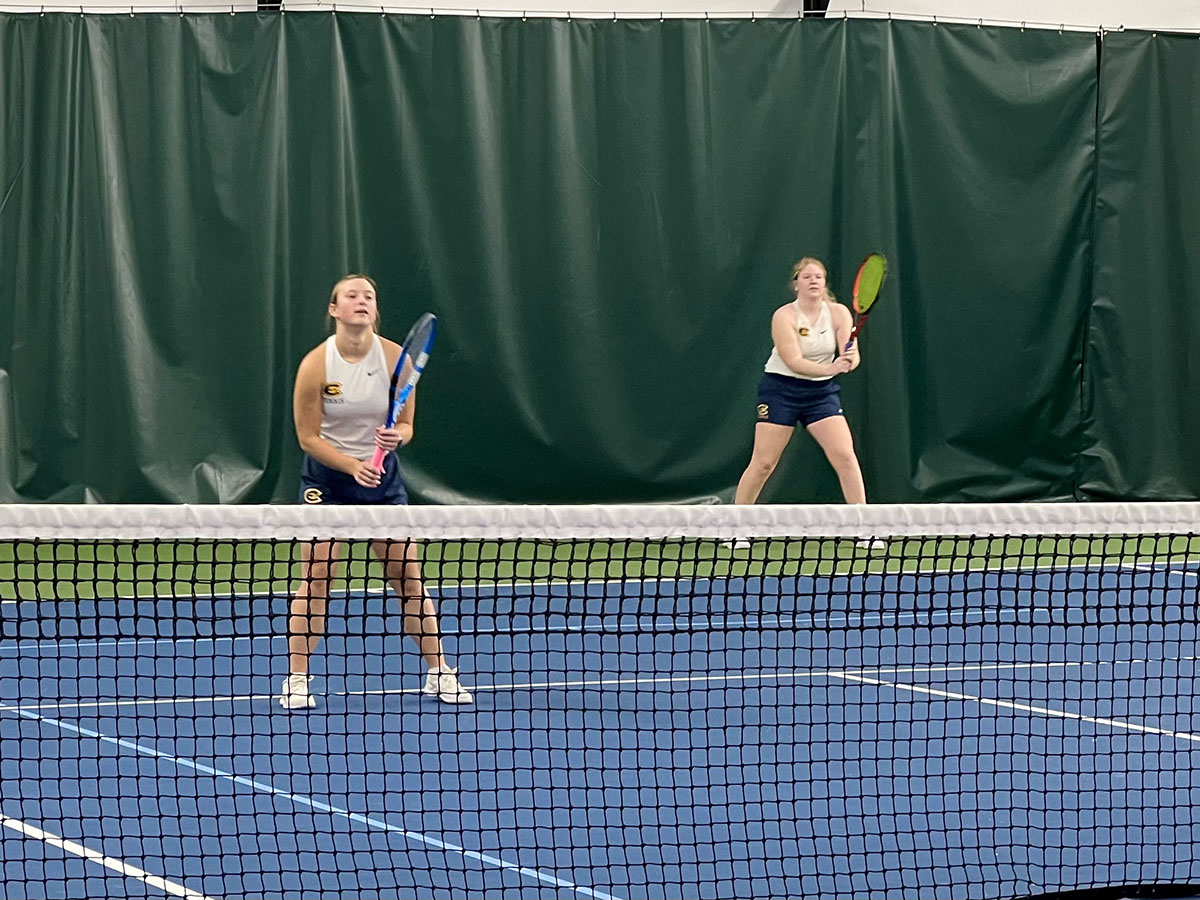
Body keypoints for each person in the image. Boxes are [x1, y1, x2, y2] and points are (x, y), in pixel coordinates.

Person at [280, 273, 472, 710]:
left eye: (368, 295)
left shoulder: (396, 359)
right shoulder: (315, 365)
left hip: (382, 483)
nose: (362, 300)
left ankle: (438, 672)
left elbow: (406, 425)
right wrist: (351, 466)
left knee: (408, 577)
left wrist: (396, 439)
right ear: (335, 309)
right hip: (326, 481)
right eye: (352, 295)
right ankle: (296, 679)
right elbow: (308, 437)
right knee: (317, 575)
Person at [734, 257, 876, 520]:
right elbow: (794, 362)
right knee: (763, 464)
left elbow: (851, 352)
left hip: (821, 395)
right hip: (781, 390)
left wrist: (850, 361)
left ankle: (864, 526)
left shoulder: (839, 313)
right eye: (807, 276)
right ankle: (734, 525)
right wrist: (830, 369)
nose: (813, 281)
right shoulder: (784, 316)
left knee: (845, 457)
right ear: (796, 284)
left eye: (818, 277)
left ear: (824, 284)